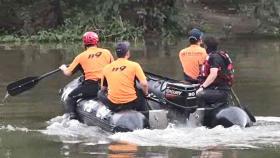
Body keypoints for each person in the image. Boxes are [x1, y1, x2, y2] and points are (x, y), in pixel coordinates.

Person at [60, 31, 114, 119]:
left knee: (70, 97)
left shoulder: (81, 56)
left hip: (91, 88)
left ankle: (72, 117)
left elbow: (68, 73)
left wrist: (63, 68)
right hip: (108, 87)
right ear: (97, 42)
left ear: (84, 44)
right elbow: (113, 67)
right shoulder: (107, 52)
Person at [98, 42, 149, 113]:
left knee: (100, 93)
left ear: (116, 54)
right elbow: (144, 84)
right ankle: (146, 115)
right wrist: (146, 94)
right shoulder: (134, 65)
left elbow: (103, 88)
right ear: (128, 53)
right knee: (141, 92)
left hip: (113, 105)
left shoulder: (106, 68)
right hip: (131, 104)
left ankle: (103, 111)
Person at [196, 36, 234, 107]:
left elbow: (213, 74)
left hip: (220, 91)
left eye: (203, 46)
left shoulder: (214, 57)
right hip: (218, 89)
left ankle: (200, 116)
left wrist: (202, 87)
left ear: (206, 46)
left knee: (198, 95)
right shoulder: (219, 55)